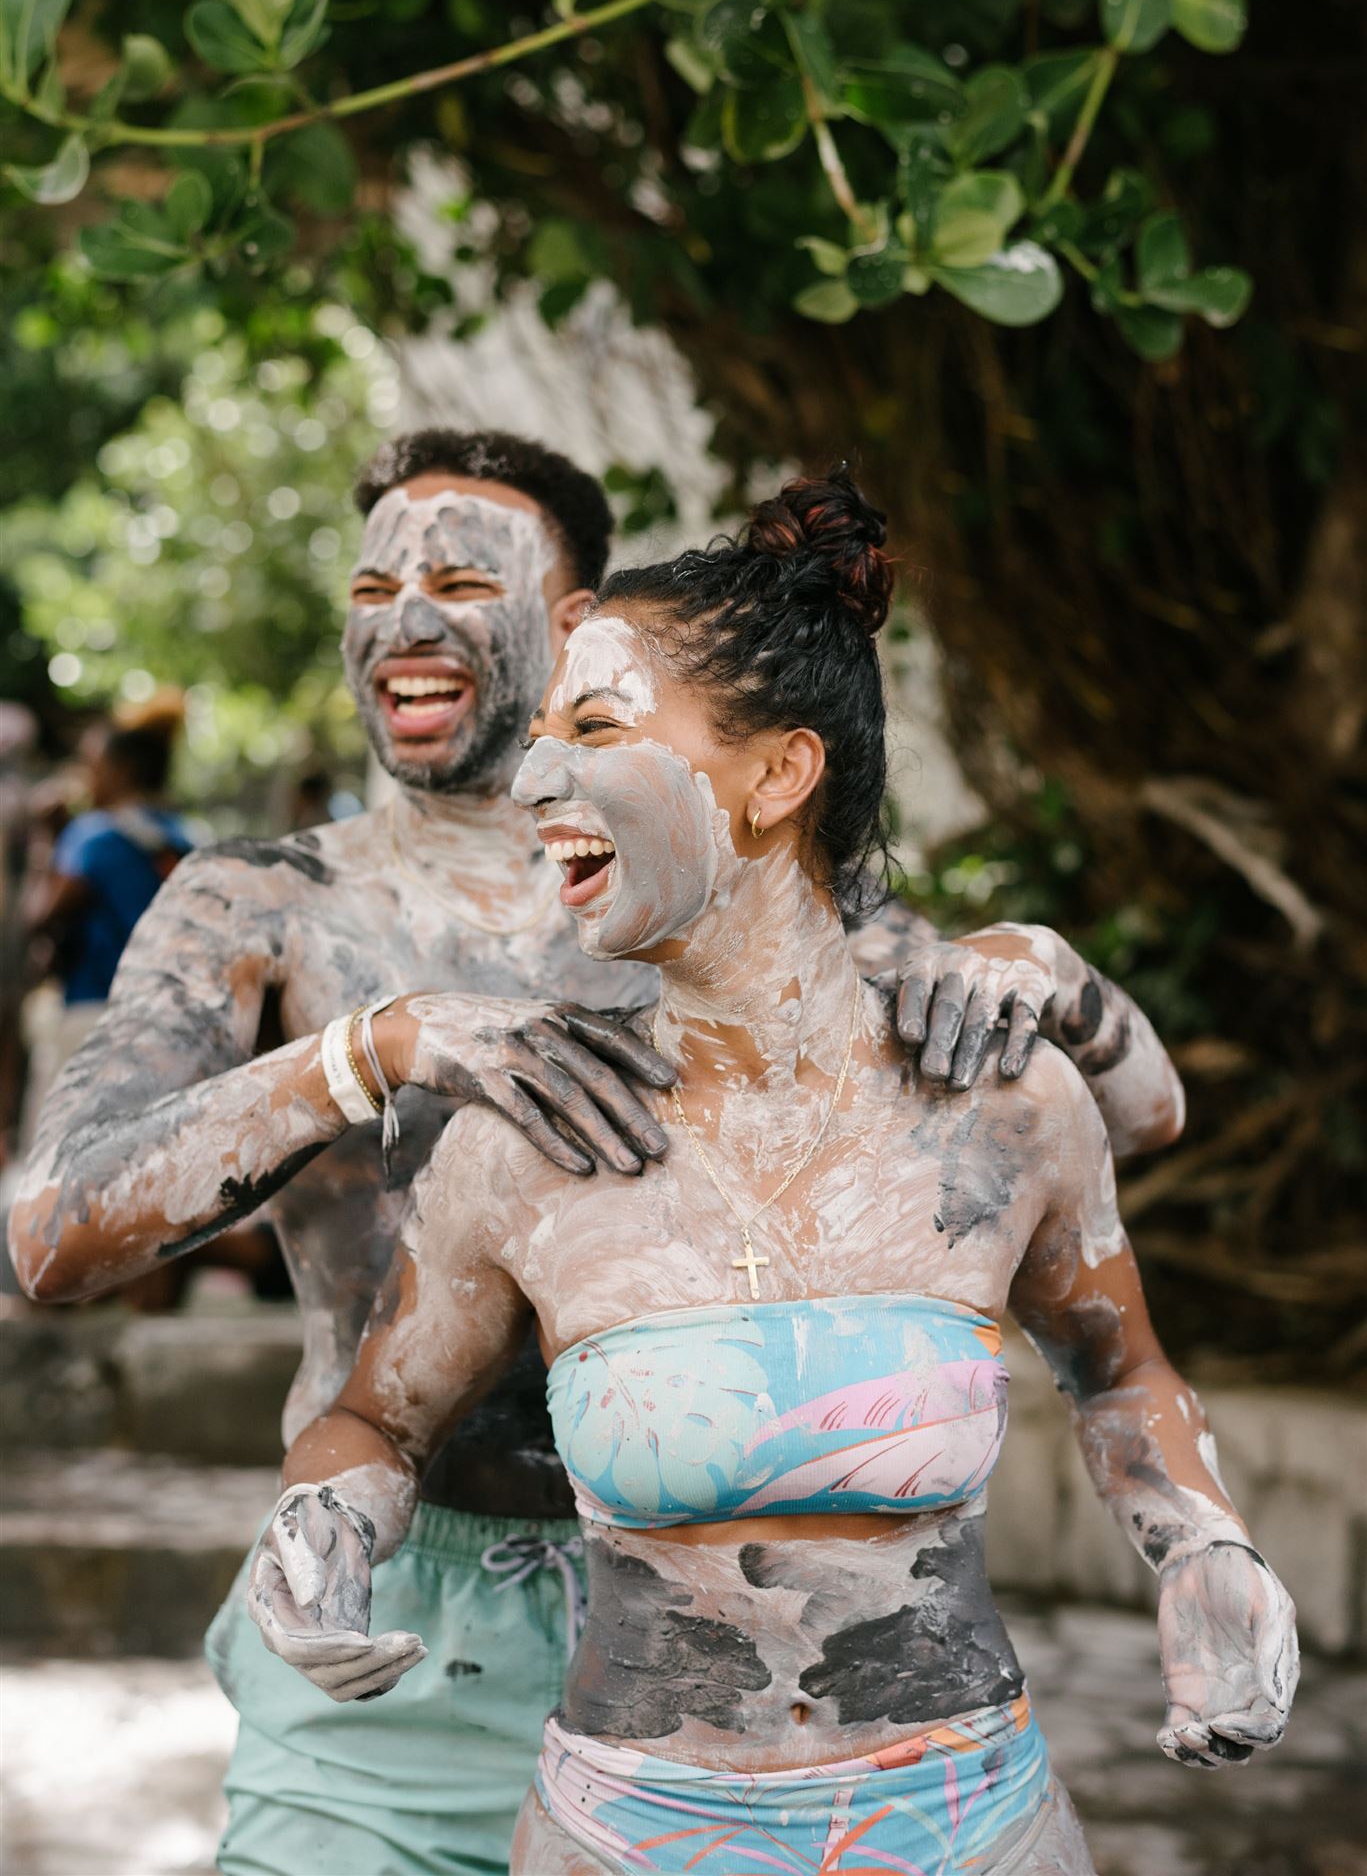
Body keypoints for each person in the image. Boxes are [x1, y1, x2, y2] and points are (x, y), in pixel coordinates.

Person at [9, 433, 1186, 1876]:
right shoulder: (264, 903)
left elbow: (1126, 1125)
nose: (405, 619)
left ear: (573, 623)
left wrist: (1052, 972)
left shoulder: (725, 879)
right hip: (401, 1616)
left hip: (737, 1656)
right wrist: (365, 1052)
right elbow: (49, 1235)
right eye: (372, 587)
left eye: (459, 582)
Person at [18, 696, 191, 1143]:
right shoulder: (179, 834)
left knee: (56, 1154)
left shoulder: (92, 834)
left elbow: (38, 915)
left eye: (89, 764)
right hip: (163, 1018)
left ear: (120, 771)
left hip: (92, 1014)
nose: (82, 776)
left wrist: (45, 840)